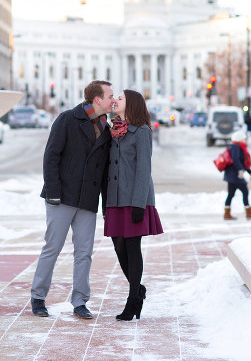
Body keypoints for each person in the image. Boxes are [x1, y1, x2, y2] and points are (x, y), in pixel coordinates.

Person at [30, 80, 115, 319]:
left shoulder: (106, 128)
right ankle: (38, 297)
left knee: (84, 252)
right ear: (97, 100)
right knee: (53, 247)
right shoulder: (68, 119)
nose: (113, 99)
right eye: (109, 95)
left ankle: (79, 301)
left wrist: (106, 204)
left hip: (88, 199)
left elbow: (105, 171)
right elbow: (51, 157)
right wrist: (53, 192)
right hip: (62, 197)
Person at [105, 89, 164, 321]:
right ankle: (137, 289)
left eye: (119, 98)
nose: (115, 101)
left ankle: (132, 301)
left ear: (131, 105)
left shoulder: (142, 132)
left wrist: (140, 203)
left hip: (133, 199)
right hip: (114, 198)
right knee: (118, 246)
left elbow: (143, 170)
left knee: (131, 247)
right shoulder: (113, 130)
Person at [222, 130, 251, 220]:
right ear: (239, 139)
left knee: (231, 194)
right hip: (235, 175)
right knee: (245, 191)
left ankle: (227, 213)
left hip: (232, 175)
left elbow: (243, 162)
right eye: (244, 139)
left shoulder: (237, 147)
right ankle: (248, 212)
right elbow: (236, 160)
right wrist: (240, 170)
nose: (245, 140)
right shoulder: (235, 147)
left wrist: (250, 172)